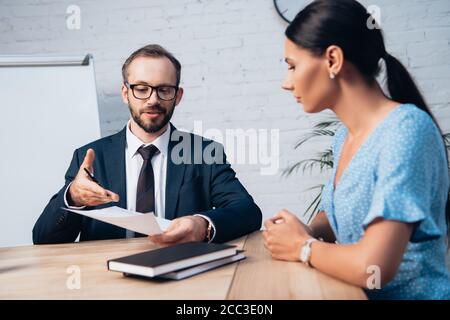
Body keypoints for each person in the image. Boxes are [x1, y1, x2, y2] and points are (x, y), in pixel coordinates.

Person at [263, 0, 450, 299]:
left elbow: (373, 266)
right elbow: (340, 214)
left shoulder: (406, 131)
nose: (287, 83)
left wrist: (303, 247)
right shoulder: (344, 137)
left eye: (292, 66)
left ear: (333, 60)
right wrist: (309, 232)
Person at [33, 44, 262, 245]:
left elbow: (248, 212)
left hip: (181, 275)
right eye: (141, 89)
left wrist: (202, 224)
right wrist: (72, 197)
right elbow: (43, 239)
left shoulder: (203, 153)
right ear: (125, 93)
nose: (153, 100)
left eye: (164, 90)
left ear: (178, 96)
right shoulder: (91, 157)